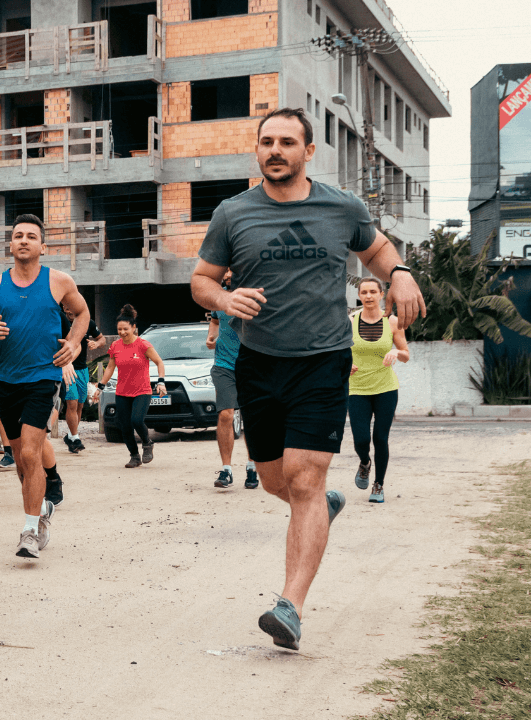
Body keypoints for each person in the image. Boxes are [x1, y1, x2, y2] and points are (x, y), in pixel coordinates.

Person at [190, 107, 426, 651]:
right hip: (258, 362)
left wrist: (401, 273)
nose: (276, 150)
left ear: (308, 151)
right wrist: (224, 298)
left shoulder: (340, 206)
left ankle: (290, 606)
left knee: (303, 479)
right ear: (258, 150)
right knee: (276, 481)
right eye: (267, 141)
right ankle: (324, 505)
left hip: (322, 362)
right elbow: (201, 280)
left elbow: (378, 248)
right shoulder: (233, 213)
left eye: (287, 142)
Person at [0, 214, 90, 558]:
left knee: (31, 453)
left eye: (31, 236)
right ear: (10, 245)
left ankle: (29, 531)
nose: (24, 240)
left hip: (43, 378)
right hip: (5, 380)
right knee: (20, 460)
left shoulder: (59, 282)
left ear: (43, 246)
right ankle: (41, 511)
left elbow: (83, 314)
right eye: (18, 236)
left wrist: (73, 344)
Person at [348, 277, 409, 504]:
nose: (368, 296)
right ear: (359, 295)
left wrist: (396, 353)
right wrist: (345, 364)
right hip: (357, 388)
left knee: (380, 438)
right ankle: (365, 462)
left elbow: (406, 354)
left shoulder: (392, 322)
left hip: (386, 388)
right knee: (361, 439)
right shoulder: (350, 321)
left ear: (381, 294)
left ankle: (378, 484)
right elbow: (336, 350)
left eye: (373, 291)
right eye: (364, 292)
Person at [93, 304, 167, 468]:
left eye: (125, 329)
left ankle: (147, 443)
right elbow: (111, 368)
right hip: (122, 392)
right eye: (119, 329)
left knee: (136, 420)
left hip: (142, 391)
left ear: (134, 327)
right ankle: (134, 456)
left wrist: (161, 382)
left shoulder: (143, 345)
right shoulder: (116, 346)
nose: (122, 332)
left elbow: (159, 362)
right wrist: (100, 387)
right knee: (124, 425)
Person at [205, 271, 258, 489]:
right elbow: (216, 322)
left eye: (231, 270)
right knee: (226, 414)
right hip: (224, 365)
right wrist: (211, 337)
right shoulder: (218, 298)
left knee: (251, 417)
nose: (227, 274)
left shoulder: (253, 298)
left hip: (251, 365)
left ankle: (252, 466)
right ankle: (226, 470)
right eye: (225, 271)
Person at [61, 303, 105, 453]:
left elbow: (102, 340)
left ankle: (71, 436)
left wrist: (96, 343)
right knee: (71, 404)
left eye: (71, 305)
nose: (69, 309)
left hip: (83, 370)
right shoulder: (61, 321)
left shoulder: (87, 322)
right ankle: (75, 437)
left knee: (80, 405)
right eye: (66, 306)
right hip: (67, 369)